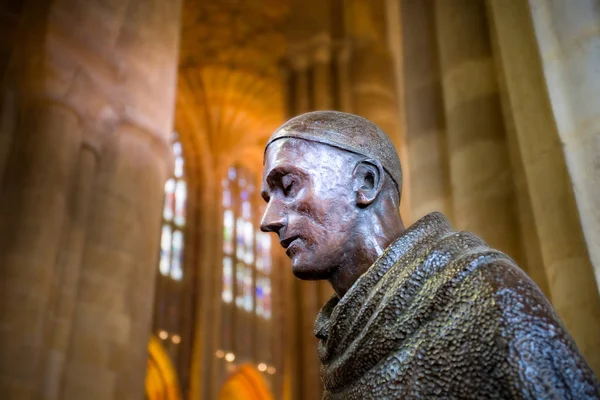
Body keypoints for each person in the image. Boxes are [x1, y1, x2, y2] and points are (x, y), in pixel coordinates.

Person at [259, 110, 600, 399]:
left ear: (365, 181)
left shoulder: (482, 292)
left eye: (288, 187)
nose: (269, 220)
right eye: (268, 198)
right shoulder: (340, 342)